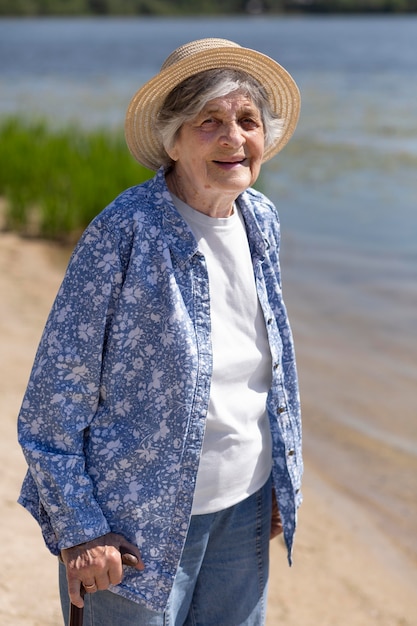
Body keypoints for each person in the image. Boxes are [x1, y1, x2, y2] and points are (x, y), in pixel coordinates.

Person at [18, 38, 303, 625]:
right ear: (173, 140)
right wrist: (82, 530)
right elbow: (53, 401)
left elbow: (262, 371)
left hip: (244, 510)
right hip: (132, 530)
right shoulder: (123, 231)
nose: (234, 138)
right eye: (210, 122)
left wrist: (280, 478)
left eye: (248, 121)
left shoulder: (262, 221)